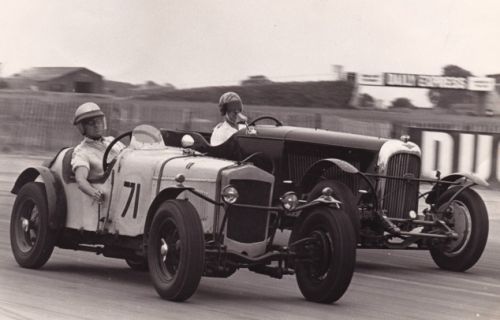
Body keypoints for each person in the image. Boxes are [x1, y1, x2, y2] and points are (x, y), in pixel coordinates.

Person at [71, 102, 125, 203]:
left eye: (99, 121)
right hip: (110, 194)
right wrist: (94, 193)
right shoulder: (82, 152)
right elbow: (81, 180)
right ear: (82, 128)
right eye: (91, 123)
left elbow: (129, 156)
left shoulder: (112, 141)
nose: (97, 125)